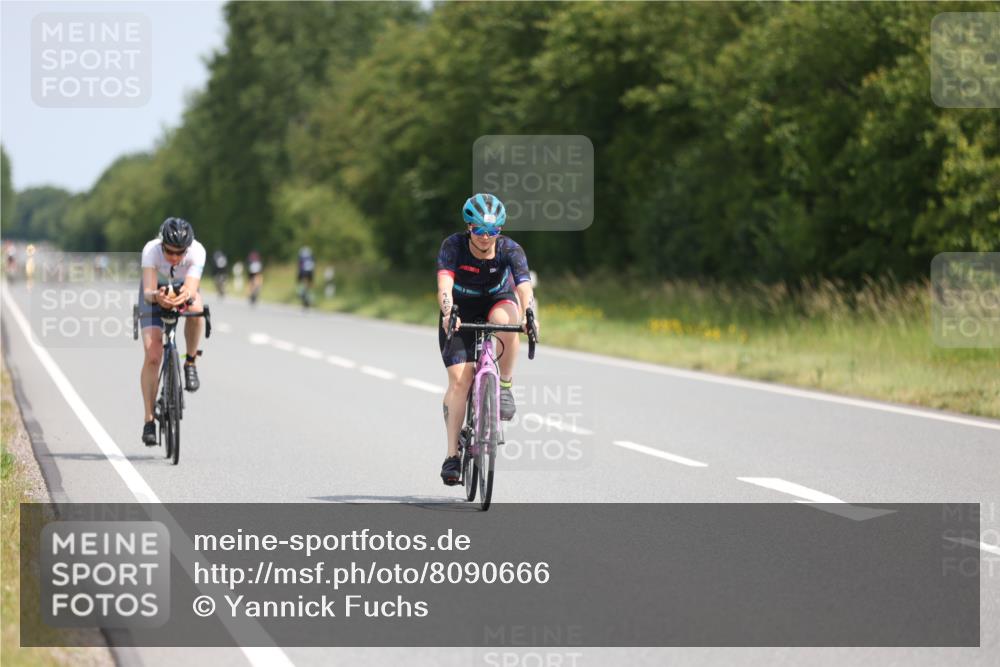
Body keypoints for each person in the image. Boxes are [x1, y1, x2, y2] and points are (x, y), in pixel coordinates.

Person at [436, 193, 539, 485]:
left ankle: (504, 385)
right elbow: (444, 284)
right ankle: (452, 455)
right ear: (468, 227)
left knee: (509, 323)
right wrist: (447, 312)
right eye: (479, 230)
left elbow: (523, 286)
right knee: (459, 381)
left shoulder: (510, 249)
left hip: (497, 300)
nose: (485, 237)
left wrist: (530, 314)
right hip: (460, 309)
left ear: (500, 231)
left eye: (492, 231)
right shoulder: (452, 246)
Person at [138, 218, 207, 445]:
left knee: (197, 309)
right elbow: (148, 291)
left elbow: (191, 288)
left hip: (181, 290)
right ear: (162, 245)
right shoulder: (151, 250)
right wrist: (158, 297)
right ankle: (149, 419)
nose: (175, 258)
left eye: (180, 253)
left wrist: (182, 297)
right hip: (154, 292)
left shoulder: (197, 251)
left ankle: (190, 362)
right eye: (170, 252)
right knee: (153, 355)